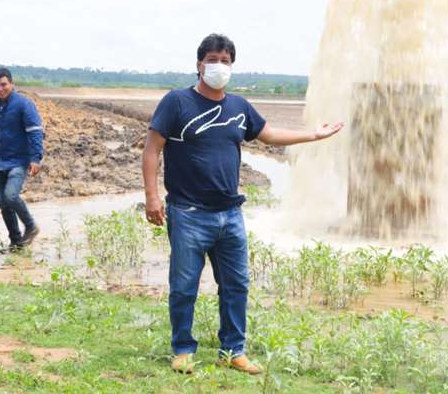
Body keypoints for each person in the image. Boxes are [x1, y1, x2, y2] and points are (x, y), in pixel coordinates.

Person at [142, 33, 343, 374]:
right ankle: (183, 349)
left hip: (230, 215)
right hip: (188, 213)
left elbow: (268, 134)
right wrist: (152, 196)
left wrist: (313, 135)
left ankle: (233, 350)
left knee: (236, 286)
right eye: (212, 60)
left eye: (225, 60)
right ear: (198, 65)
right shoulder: (176, 102)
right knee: (184, 286)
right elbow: (151, 149)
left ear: (232, 66)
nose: (219, 66)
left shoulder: (238, 107)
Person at [0, 67, 44, 252]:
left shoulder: (24, 104)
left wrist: (35, 158)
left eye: (3, 85)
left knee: (11, 196)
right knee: (3, 203)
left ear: (11, 83)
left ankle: (31, 226)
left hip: (19, 160)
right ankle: (16, 242)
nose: (0, 89)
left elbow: (35, 132)